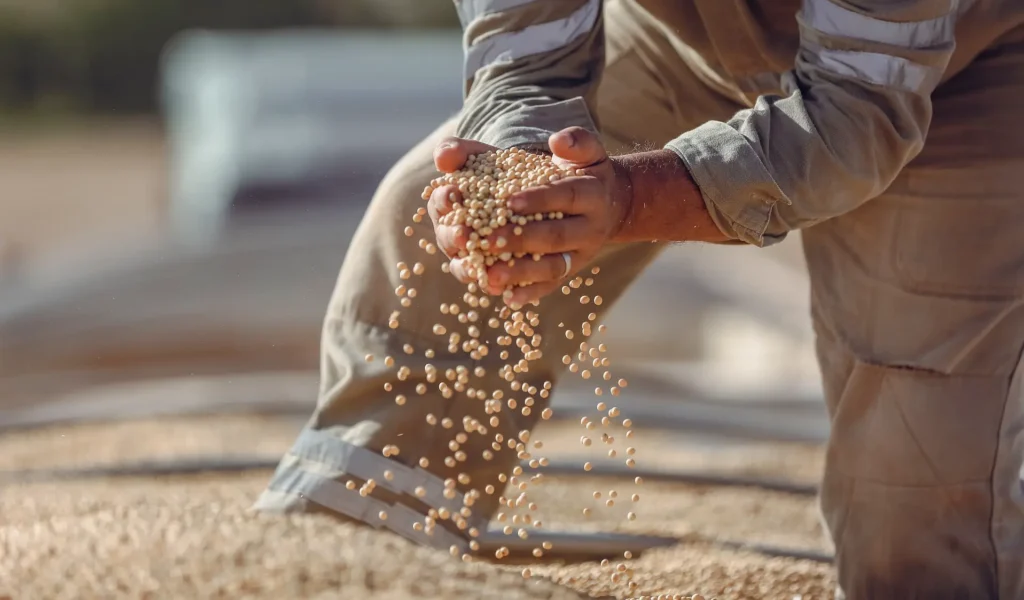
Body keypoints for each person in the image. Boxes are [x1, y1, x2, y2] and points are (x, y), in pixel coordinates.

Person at [255, 0, 1024, 596]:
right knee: (427, 239)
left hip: (950, 68)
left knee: (915, 490)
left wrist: (629, 197)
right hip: (675, 35)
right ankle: (335, 559)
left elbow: (856, 116)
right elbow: (529, 66)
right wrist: (521, 179)